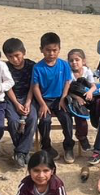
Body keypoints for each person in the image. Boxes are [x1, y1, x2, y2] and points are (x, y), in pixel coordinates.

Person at [32, 32, 76, 164]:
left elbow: (67, 82)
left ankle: (68, 147)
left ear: (59, 50)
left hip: (60, 99)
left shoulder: (64, 65)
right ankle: (46, 147)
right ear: (41, 50)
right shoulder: (37, 68)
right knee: (45, 121)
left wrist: (63, 97)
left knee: (66, 119)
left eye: (54, 50)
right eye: (48, 50)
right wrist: (42, 104)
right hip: (44, 100)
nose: (51, 53)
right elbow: (35, 87)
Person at [3, 38, 38, 168]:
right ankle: (23, 151)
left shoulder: (32, 65)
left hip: (29, 97)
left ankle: (20, 152)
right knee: (12, 120)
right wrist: (17, 104)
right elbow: (8, 88)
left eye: (17, 55)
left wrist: (28, 102)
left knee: (33, 118)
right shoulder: (5, 67)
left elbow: (33, 86)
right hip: (11, 98)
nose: (15, 59)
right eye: (10, 57)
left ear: (23, 52)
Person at [67, 49, 100, 153]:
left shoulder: (86, 70)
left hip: (86, 94)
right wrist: (77, 98)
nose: (74, 62)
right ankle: (82, 136)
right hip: (74, 97)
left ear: (83, 61)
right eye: (71, 60)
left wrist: (90, 92)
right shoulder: (68, 73)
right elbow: (66, 91)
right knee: (79, 110)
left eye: (77, 60)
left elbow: (93, 86)